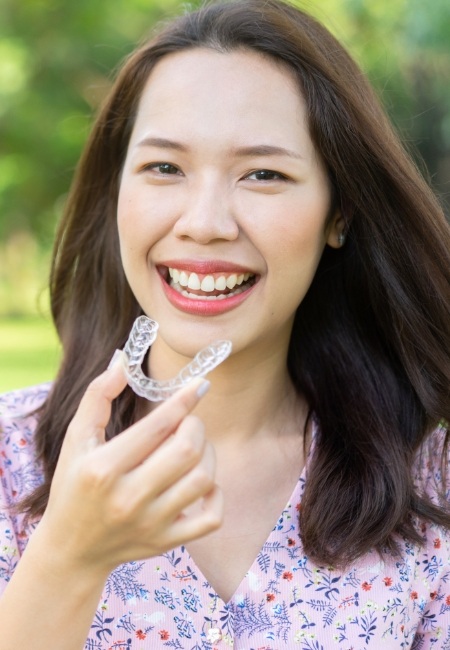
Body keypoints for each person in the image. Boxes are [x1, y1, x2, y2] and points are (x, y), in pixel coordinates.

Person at [1, 0, 449, 647]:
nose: (205, 222)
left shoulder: (428, 486)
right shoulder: (8, 461)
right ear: (115, 191)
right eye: (164, 168)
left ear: (339, 213)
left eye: (264, 174)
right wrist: (68, 557)